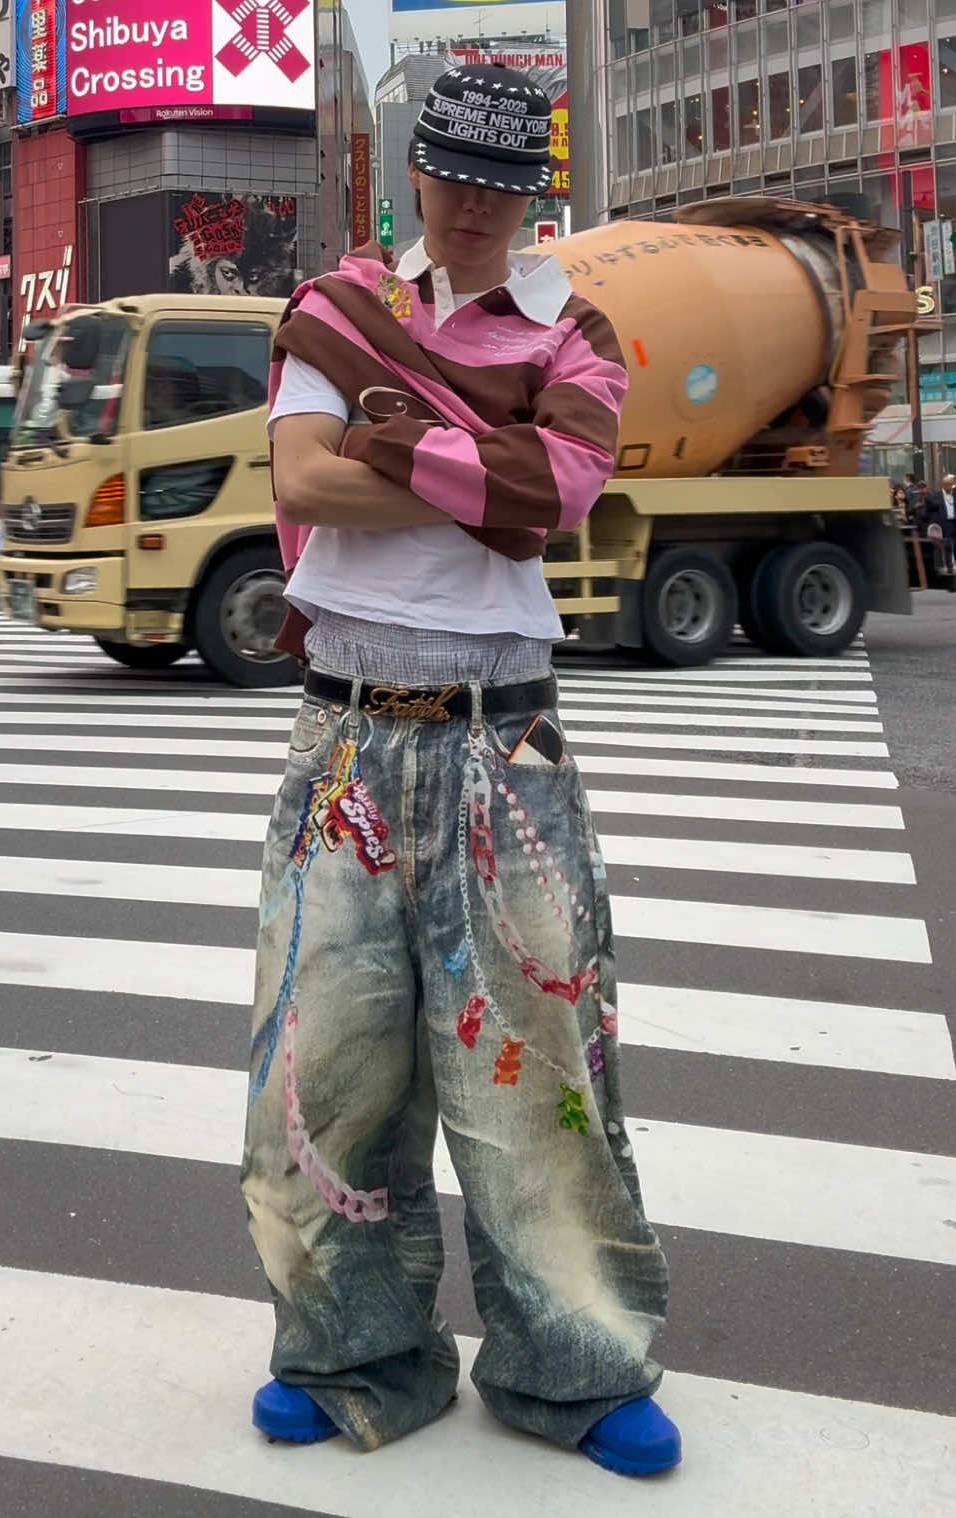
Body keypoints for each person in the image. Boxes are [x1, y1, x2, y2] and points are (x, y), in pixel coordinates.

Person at [240, 63, 680, 1479]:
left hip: (505, 733)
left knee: (542, 1072)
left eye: (508, 183)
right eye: (458, 175)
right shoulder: (336, 308)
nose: (480, 205)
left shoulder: (580, 327)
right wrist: (473, 457)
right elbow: (302, 481)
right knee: (330, 1063)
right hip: (349, 731)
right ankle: (346, 1345)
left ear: (531, 190)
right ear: (416, 171)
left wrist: (397, 434)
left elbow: (556, 495)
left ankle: (578, 1363)